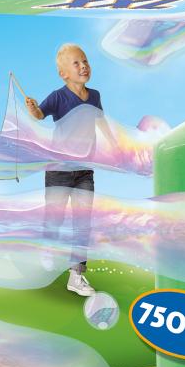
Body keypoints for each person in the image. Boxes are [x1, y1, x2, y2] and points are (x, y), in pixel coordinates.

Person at [26, 43, 117, 297]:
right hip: (58, 170)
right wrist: (33, 109)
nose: (83, 66)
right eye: (76, 63)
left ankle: (76, 276)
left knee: (82, 224)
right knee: (55, 218)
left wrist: (115, 145)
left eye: (85, 61)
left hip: (84, 171)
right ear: (63, 74)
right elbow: (40, 114)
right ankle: (48, 247)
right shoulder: (58, 97)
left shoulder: (95, 96)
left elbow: (101, 121)